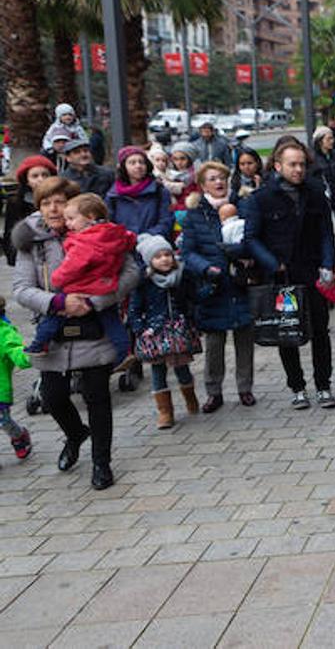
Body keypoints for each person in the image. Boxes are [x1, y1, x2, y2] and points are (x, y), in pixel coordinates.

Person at [12, 176, 140, 490]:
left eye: (60, 201)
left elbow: (132, 272)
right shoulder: (32, 241)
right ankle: (74, 434)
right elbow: (22, 289)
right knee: (53, 398)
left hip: (94, 327)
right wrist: (58, 301)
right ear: (38, 206)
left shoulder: (99, 232)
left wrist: (95, 301)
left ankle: (101, 463)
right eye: (46, 202)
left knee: (97, 397)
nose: (53, 209)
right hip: (53, 328)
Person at [242, 140, 335, 410]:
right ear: (277, 166)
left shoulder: (316, 191)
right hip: (282, 277)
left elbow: (326, 233)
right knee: (286, 331)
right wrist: (273, 264)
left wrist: (329, 263)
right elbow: (251, 238)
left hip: (312, 272)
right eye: (292, 164)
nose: (298, 170)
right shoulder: (261, 198)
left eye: (302, 164)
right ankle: (297, 387)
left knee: (320, 330)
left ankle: (323, 385)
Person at [179, 162, 256, 411]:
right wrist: (205, 268)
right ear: (202, 185)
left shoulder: (243, 205)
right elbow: (188, 252)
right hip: (212, 286)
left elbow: (254, 238)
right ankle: (214, 392)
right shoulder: (195, 214)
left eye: (222, 177)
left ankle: (245, 388)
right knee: (214, 343)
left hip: (240, 282)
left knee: (245, 339)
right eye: (212, 179)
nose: (219, 182)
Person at [24, 193, 135, 360]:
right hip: (106, 285)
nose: (67, 223)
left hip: (82, 287)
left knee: (54, 316)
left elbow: (72, 266)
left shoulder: (84, 242)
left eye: (71, 219)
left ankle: (40, 344)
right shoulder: (113, 233)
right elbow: (130, 240)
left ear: (89, 217)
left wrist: (57, 279)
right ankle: (125, 352)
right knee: (112, 321)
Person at [130, 234, 202, 430]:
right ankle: (165, 412)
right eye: (158, 256)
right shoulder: (144, 282)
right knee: (157, 370)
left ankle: (190, 396)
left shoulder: (182, 276)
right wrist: (139, 327)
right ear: (149, 261)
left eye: (167, 254)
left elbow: (193, 298)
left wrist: (194, 317)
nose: (164, 259)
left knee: (182, 367)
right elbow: (135, 308)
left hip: (179, 330)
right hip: (155, 332)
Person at [106, 146, 174, 240]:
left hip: (154, 245)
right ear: (123, 167)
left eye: (141, 162)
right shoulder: (113, 195)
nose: (138, 166)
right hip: (124, 246)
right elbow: (109, 224)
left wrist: (147, 237)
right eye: (132, 163)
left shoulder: (160, 191)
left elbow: (166, 221)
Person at [4, 155, 56, 265]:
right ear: (27, 180)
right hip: (27, 254)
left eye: (45, 175)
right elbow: (9, 232)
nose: (40, 179)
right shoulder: (16, 203)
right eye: (35, 176)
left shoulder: (61, 199)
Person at [0, 297, 33, 461]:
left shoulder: (4, 333)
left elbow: (15, 350)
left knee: (3, 421)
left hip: (0, 389)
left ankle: (19, 436)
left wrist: (27, 356)